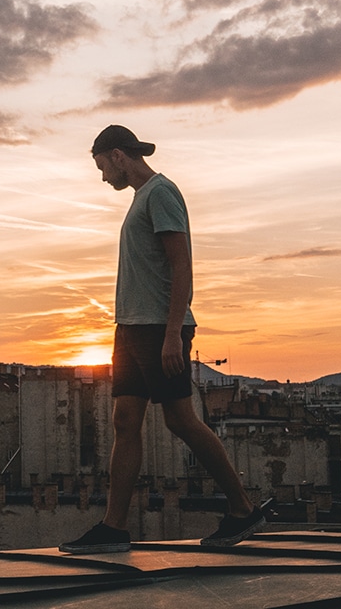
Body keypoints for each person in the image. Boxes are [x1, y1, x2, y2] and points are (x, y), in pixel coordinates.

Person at [59, 124, 269, 554]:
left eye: (101, 166)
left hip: (158, 328)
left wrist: (173, 332)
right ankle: (114, 527)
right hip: (132, 328)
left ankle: (243, 509)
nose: (102, 177)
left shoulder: (160, 192)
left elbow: (181, 263)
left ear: (117, 156)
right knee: (124, 422)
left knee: (180, 420)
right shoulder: (142, 198)